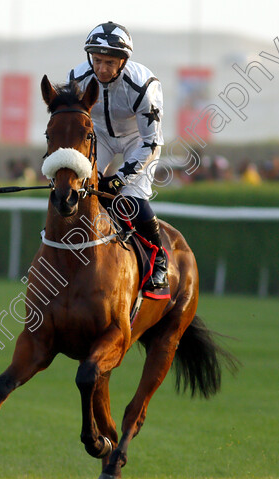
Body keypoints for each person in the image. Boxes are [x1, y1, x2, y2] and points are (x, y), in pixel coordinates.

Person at [67, 21, 168, 289]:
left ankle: (159, 259)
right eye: (97, 60)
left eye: (109, 62)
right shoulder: (77, 79)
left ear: (123, 62)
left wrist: (121, 177)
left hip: (139, 140)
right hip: (100, 137)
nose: (101, 68)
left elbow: (151, 140)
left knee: (132, 197)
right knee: (81, 190)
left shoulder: (143, 86)